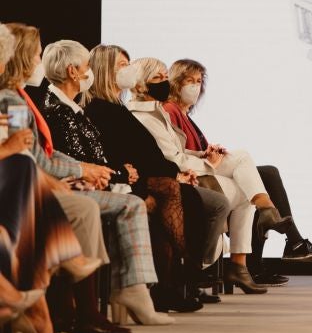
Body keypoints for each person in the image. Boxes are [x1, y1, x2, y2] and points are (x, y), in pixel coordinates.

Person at [0, 23, 172, 328]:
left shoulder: (26, 99)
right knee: (103, 206)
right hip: (27, 187)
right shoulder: (18, 102)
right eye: (36, 55)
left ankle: (114, 296)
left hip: (38, 181)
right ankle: (87, 304)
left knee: (128, 202)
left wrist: (99, 170)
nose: (39, 62)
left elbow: (36, 152)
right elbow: (28, 154)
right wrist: (92, 171)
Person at [40, 41, 203, 314]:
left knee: (168, 195)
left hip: (102, 178)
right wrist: (116, 173)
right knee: (148, 200)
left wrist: (114, 171)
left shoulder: (78, 108)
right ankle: (130, 291)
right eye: (86, 67)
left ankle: (159, 284)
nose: (89, 72)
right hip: (77, 185)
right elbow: (61, 156)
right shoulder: (64, 108)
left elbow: (94, 154)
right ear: (73, 71)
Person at [127, 58, 290, 295]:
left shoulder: (158, 111)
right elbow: (173, 159)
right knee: (245, 175)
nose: (165, 82)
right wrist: (206, 161)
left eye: (165, 77)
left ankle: (244, 254)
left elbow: (180, 151)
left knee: (246, 174)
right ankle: (238, 256)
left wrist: (203, 153)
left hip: (191, 167)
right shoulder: (148, 116)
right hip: (184, 175)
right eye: (159, 78)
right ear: (141, 84)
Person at [84, 45, 228, 306]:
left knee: (183, 196)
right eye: (122, 66)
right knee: (177, 194)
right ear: (106, 70)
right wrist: (174, 173)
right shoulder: (102, 109)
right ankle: (180, 274)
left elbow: (151, 153)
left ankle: (175, 279)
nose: (129, 71)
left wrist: (179, 171)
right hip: (126, 180)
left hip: (146, 175)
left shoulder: (118, 107)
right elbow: (127, 154)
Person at [164, 59, 312, 286]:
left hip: (205, 172)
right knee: (262, 177)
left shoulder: (185, 115)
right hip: (197, 177)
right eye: (189, 81)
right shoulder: (170, 111)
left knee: (263, 177)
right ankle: (284, 244)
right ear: (175, 82)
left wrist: (209, 152)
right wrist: (207, 157)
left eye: (199, 81)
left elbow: (192, 151)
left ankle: (271, 251)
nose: (195, 86)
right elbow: (177, 154)